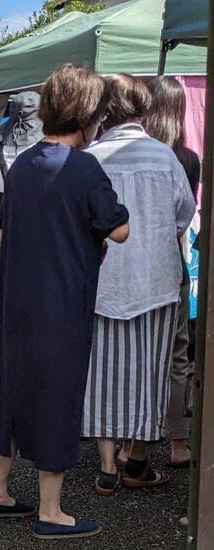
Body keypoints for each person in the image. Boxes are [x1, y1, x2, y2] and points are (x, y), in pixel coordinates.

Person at [0, 64, 130, 540]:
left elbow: (4, 227)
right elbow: (118, 228)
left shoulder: (23, 162)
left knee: (12, 386)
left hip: (16, 297)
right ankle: (51, 510)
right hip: (62, 299)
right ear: (89, 114)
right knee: (57, 391)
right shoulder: (83, 167)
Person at [82, 75, 196, 495]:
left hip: (102, 282)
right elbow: (182, 216)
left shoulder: (91, 157)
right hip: (156, 282)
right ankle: (139, 461)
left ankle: (108, 466)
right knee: (152, 373)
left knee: (102, 374)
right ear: (141, 111)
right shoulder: (163, 156)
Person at [145, 75, 201, 470]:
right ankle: (178, 442)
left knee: (141, 354)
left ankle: (134, 443)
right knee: (178, 355)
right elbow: (184, 219)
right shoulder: (187, 159)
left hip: (132, 263)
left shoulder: (141, 154)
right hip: (170, 261)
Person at [0, 92, 44, 387]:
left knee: (0, 305)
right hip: (40, 238)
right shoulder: (44, 151)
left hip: (4, 236)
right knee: (36, 306)